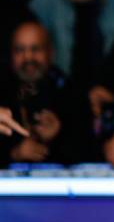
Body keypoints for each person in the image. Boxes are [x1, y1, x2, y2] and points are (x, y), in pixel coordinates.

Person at [0, 22, 79, 166]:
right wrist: (14, 153)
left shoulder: (70, 92)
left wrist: (59, 135)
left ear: (50, 53)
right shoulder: (2, 89)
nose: (28, 58)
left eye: (35, 49)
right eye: (19, 50)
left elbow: (92, 154)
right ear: (10, 55)